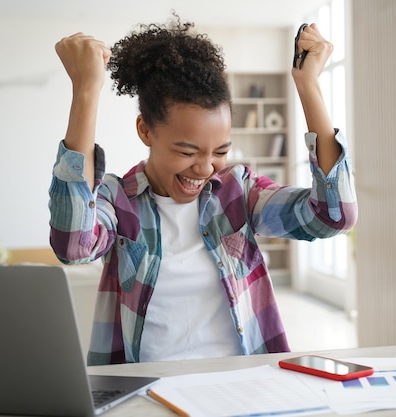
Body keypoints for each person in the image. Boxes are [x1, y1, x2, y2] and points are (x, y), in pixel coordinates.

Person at [50, 15, 357, 366]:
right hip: (146, 388)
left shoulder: (238, 192)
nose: (205, 167)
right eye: (187, 151)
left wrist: (309, 85)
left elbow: (333, 216)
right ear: (146, 131)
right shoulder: (118, 200)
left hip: (241, 383)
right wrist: (86, 90)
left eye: (220, 152)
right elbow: (73, 246)